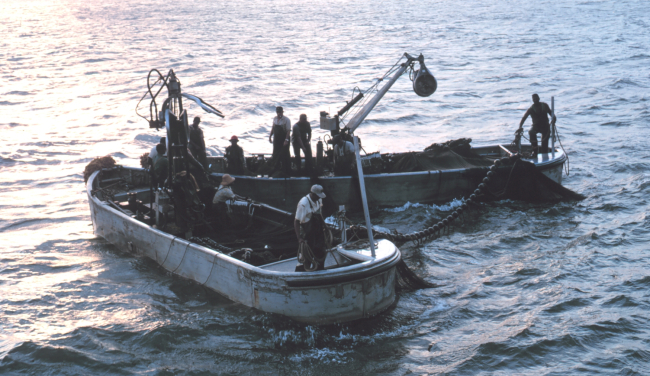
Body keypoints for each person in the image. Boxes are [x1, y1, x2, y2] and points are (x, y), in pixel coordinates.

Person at [294, 185, 327, 271]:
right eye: (318, 196)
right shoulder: (303, 204)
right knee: (307, 254)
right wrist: (299, 238)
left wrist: (325, 225)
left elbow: (319, 214)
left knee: (321, 251)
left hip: (317, 230)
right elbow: (296, 221)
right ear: (312, 194)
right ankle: (304, 270)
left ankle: (319, 269)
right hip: (307, 231)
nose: (319, 198)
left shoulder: (319, 199)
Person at [268, 106, 292, 176]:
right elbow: (273, 128)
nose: (279, 113)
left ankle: (286, 170)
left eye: (280, 112)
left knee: (285, 154)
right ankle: (276, 169)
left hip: (284, 139)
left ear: (282, 112)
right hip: (276, 140)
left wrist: (286, 140)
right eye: (278, 112)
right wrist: (270, 136)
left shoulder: (286, 120)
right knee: (275, 154)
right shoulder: (275, 119)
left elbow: (288, 131)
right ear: (276, 112)